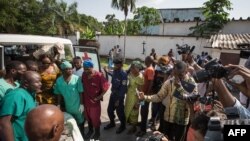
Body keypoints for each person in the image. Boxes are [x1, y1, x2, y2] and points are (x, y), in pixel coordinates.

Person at [138, 60, 198, 141]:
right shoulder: (169, 82)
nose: (177, 77)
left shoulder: (191, 82)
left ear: (186, 71)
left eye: (180, 75)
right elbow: (159, 96)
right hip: (168, 119)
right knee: (165, 138)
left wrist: (179, 87)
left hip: (181, 121)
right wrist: (144, 97)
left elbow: (192, 98)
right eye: (175, 74)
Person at [0, 71, 42, 141]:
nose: (40, 84)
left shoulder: (30, 94)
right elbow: (3, 123)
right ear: (26, 83)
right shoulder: (16, 95)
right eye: (37, 82)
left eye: (40, 81)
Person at [82, 59, 110, 140]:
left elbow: (106, 87)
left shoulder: (99, 76)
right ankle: (90, 131)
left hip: (94, 103)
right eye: (84, 68)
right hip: (86, 101)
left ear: (92, 67)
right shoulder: (84, 74)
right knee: (88, 118)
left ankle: (97, 133)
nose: (85, 70)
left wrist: (99, 97)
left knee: (95, 119)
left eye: (87, 69)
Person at [54, 61, 84, 134]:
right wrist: (58, 104)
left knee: (81, 120)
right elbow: (58, 93)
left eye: (71, 68)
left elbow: (80, 92)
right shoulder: (59, 81)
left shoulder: (77, 79)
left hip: (77, 105)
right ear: (62, 70)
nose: (70, 70)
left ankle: (82, 132)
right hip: (68, 105)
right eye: (67, 69)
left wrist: (81, 104)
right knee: (70, 120)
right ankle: (74, 133)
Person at [104, 58, 127, 134]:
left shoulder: (123, 74)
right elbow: (112, 74)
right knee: (109, 110)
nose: (115, 65)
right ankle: (112, 123)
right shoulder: (115, 71)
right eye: (115, 64)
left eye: (117, 64)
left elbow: (123, 88)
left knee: (120, 112)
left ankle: (123, 126)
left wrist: (118, 100)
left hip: (119, 97)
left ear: (121, 65)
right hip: (113, 95)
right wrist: (106, 71)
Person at [136, 56, 155, 137]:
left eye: (146, 59)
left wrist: (146, 93)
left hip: (145, 94)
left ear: (148, 61)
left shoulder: (150, 69)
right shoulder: (148, 68)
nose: (144, 60)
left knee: (144, 111)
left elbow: (151, 82)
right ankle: (142, 124)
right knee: (143, 110)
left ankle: (143, 130)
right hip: (143, 94)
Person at [124, 61, 144, 134]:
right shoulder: (131, 74)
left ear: (138, 68)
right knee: (128, 110)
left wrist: (139, 103)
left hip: (135, 97)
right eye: (131, 67)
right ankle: (131, 125)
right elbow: (129, 83)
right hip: (129, 95)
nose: (131, 69)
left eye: (133, 68)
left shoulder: (140, 77)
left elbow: (141, 91)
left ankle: (134, 128)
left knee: (134, 112)